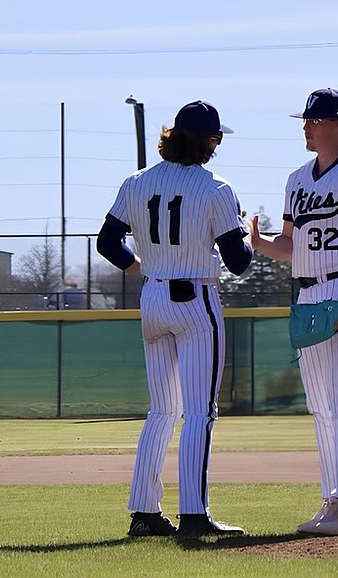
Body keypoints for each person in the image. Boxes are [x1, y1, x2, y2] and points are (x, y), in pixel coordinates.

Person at [96, 100, 252, 538]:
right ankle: (195, 515)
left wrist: (141, 268)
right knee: (200, 411)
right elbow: (238, 262)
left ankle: (143, 513)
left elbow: (107, 242)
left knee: (162, 410)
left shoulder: (137, 181)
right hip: (195, 302)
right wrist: (252, 237)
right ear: (210, 141)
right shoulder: (216, 187)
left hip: (152, 298)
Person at [248, 88, 338, 536]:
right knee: (320, 404)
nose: (306, 126)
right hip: (307, 295)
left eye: (314, 119)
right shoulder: (297, 180)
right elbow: (290, 246)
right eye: (306, 120)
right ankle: (331, 498)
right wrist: (259, 243)